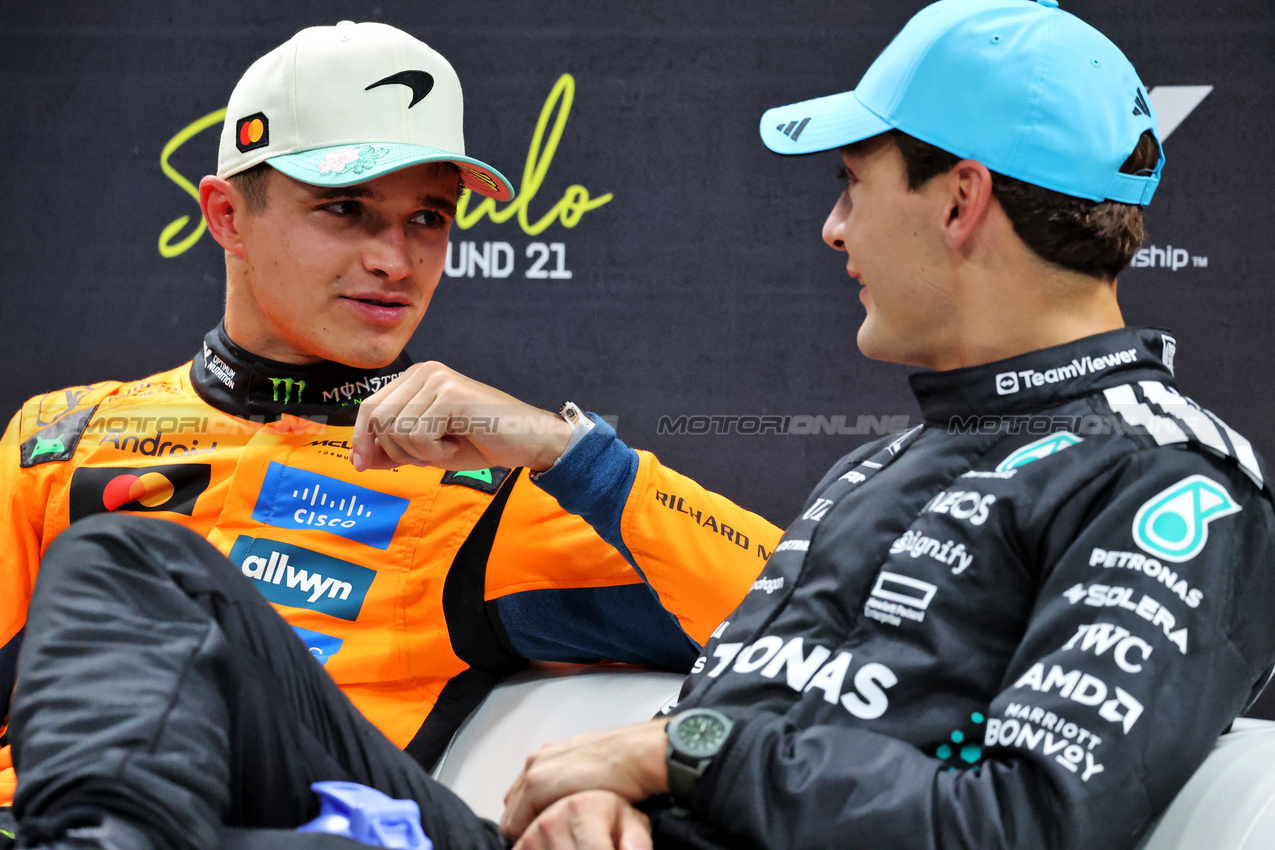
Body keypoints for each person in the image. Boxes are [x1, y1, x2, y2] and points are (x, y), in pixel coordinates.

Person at [348, 0, 1275, 847]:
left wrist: (678, 755)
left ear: (960, 201)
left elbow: (1019, 824)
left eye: (850, 184)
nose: (834, 229)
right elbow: (733, 723)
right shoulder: (880, 465)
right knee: (247, 639)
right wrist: (611, 800)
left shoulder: (1169, 480)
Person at [0, 20, 780, 850]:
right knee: (123, 566)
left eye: (428, 218)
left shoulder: (480, 486)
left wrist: (565, 453)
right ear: (226, 215)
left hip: (330, 823)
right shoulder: (64, 437)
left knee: (124, 557)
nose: (396, 261)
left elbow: (801, 628)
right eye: (346, 208)